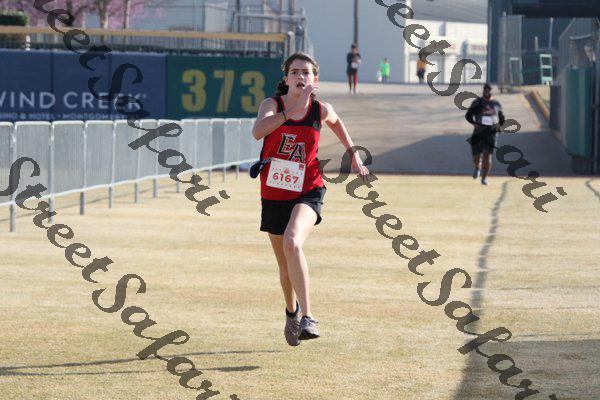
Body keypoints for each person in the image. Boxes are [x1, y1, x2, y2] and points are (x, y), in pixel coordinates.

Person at [251, 52, 370, 346]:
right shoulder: (272, 105)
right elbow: (258, 132)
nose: (300, 76)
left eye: (306, 72)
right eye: (294, 72)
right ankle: (291, 312)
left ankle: (308, 317)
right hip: (275, 191)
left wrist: (353, 154)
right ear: (286, 78)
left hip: (309, 186)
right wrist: (290, 111)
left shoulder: (320, 109)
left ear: (314, 79)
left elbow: (337, 122)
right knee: (284, 269)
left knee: (293, 241)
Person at [465, 83, 505, 185]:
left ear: (491, 91)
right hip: (478, 132)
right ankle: (477, 167)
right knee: (476, 155)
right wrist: (474, 124)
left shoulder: (496, 104)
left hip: (491, 133)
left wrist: (499, 128)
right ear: (483, 90)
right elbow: (468, 115)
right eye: (485, 90)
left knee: (487, 156)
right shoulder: (477, 102)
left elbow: (502, 118)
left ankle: (484, 178)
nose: (487, 92)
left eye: (489, 90)